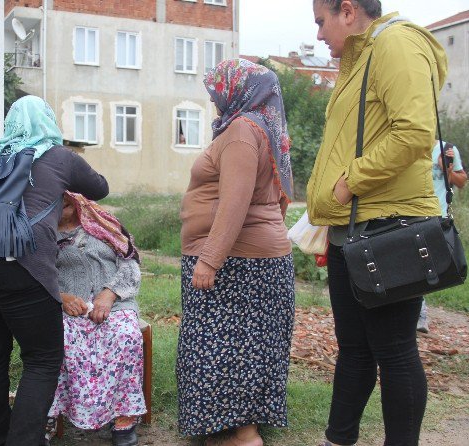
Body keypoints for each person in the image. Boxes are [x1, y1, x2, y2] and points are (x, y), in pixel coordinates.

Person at [306, 1, 448, 445]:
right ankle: (338, 439)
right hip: (354, 228)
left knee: (395, 351)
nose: (317, 35)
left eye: (319, 22)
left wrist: (350, 183)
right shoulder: (360, 58)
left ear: (346, 10)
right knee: (355, 350)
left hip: (388, 227)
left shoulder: (396, 43)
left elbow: (414, 132)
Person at [0, 96, 109, 446]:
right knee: (42, 358)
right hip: (21, 263)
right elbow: (100, 188)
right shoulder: (60, 156)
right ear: (47, 122)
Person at [176, 58, 295, 446]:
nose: (213, 101)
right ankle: (234, 428)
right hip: (253, 259)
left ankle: (242, 435)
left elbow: (235, 202)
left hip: (237, 262)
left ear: (237, 91)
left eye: (216, 93)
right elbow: (278, 199)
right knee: (248, 345)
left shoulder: (243, 132)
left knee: (228, 348)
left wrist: (210, 259)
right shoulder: (262, 129)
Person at [45, 192, 146, 446]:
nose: (64, 198)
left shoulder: (104, 224)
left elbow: (130, 263)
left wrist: (109, 293)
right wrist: (62, 296)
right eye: (57, 194)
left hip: (116, 301)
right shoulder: (41, 233)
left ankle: (124, 419)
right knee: (59, 341)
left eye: (70, 194)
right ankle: (48, 416)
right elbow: (35, 276)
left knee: (126, 337)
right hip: (66, 306)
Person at [418, 142, 467, 333]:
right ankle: (419, 313)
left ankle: (418, 311)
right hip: (413, 214)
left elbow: (462, 181)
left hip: (439, 216)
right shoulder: (410, 143)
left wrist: (446, 169)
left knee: (427, 265)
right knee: (418, 263)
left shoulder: (447, 148)